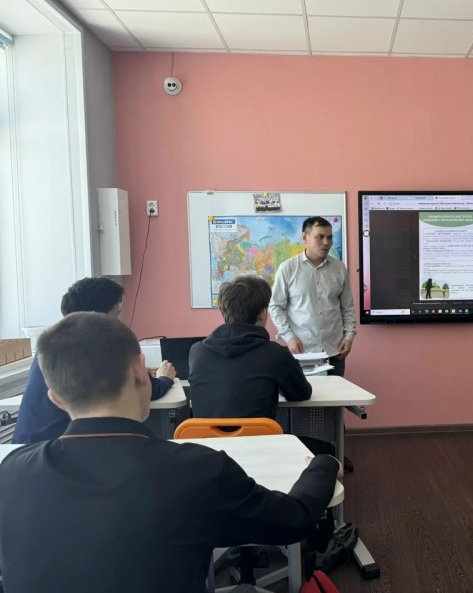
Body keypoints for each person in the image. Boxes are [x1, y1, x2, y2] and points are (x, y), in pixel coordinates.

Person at [0, 312, 340, 593]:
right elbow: (293, 521)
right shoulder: (198, 469)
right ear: (140, 372)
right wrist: (324, 463)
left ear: (56, 398)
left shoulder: (10, 472)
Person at [12, 277, 176, 444]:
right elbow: (149, 389)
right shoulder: (101, 344)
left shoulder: (50, 347)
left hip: (25, 448)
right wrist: (164, 378)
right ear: (100, 318)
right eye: (116, 314)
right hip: (65, 451)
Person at [189, 275, 312, 419]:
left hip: (203, 434)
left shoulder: (197, 352)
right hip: (260, 434)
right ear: (263, 313)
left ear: (223, 312)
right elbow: (302, 393)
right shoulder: (276, 354)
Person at [269, 217, 356, 377]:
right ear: (305, 237)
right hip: (302, 351)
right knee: (305, 393)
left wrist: (349, 336)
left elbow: (347, 307)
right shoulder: (288, 268)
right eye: (320, 237)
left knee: (335, 393)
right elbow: (275, 306)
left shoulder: (339, 268)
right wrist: (289, 337)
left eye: (329, 237)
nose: (326, 242)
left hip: (335, 351)